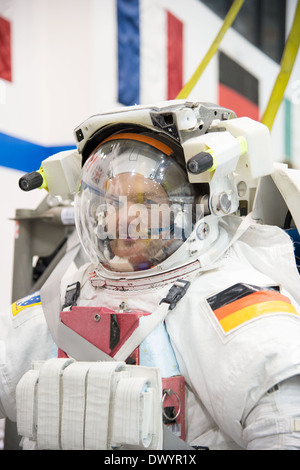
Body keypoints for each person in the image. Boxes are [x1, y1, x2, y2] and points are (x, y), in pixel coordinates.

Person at [1, 100, 300, 450]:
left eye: (146, 202)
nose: (123, 219)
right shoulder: (67, 294)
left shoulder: (225, 295)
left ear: (195, 206)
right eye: (111, 204)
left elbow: (283, 428)